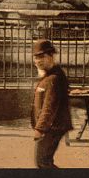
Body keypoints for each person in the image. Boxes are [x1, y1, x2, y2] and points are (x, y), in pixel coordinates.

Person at [31, 39, 71, 168]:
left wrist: (40, 128)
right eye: (36, 58)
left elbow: (49, 106)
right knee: (45, 162)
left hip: (52, 127)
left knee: (42, 162)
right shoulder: (49, 75)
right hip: (52, 126)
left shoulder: (54, 78)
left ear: (51, 56)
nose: (38, 61)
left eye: (42, 57)